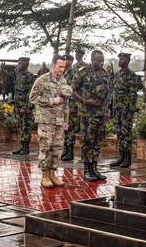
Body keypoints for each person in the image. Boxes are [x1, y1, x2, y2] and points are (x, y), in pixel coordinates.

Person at [29, 55, 73, 188]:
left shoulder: (63, 82)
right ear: (52, 65)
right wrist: (50, 101)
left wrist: (65, 120)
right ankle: (44, 176)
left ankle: (53, 173)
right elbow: (33, 98)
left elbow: (66, 103)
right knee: (46, 148)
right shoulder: (42, 80)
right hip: (46, 121)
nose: (62, 69)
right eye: (59, 66)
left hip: (59, 121)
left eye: (63, 67)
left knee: (57, 148)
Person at [71, 50, 111, 182]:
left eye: (102, 61)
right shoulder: (82, 72)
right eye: (98, 61)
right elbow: (72, 90)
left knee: (97, 142)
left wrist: (107, 110)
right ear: (92, 60)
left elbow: (107, 94)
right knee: (87, 142)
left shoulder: (104, 74)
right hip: (87, 114)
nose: (101, 63)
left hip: (100, 114)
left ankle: (94, 168)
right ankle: (87, 170)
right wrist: (85, 101)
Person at [110, 53, 142, 168]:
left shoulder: (131, 75)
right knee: (119, 134)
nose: (120, 61)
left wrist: (131, 111)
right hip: (117, 109)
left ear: (128, 60)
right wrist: (111, 109)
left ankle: (127, 159)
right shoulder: (117, 75)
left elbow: (133, 95)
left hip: (125, 110)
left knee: (126, 134)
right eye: (119, 58)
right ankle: (121, 157)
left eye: (122, 59)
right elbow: (113, 93)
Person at [61, 50, 88, 162]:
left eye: (67, 60)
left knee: (71, 129)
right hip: (63, 106)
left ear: (71, 62)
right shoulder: (63, 73)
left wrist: (74, 106)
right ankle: (66, 150)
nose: (65, 61)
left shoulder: (73, 73)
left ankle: (70, 152)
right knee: (65, 129)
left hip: (71, 105)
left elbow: (73, 90)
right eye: (64, 60)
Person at [10, 57, 36, 155]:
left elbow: (31, 92)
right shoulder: (19, 75)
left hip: (25, 107)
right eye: (18, 63)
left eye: (21, 64)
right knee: (20, 126)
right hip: (18, 106)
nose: (18, 65)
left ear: (26, 65)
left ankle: (26, 147)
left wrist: (30, 107)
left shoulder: (29, 76)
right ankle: (22, 146)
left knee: (26, 126)